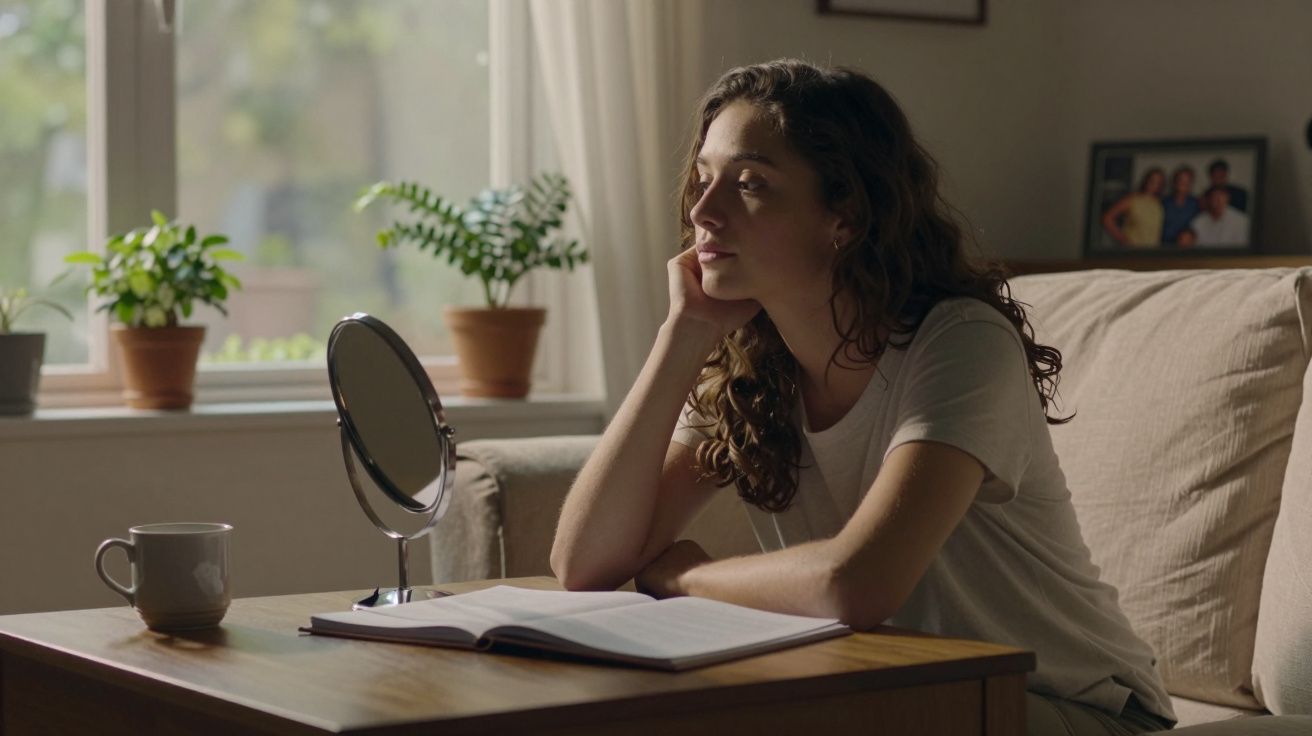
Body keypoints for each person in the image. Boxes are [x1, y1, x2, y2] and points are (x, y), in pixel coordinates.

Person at [550, 59, 1176, 735]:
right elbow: (583, 563)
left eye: (751, 183)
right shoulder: (751, 367)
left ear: (843, 214)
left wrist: (683, 581)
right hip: (898, 694)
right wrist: (682, 337)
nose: (703, 211)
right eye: (703, 180)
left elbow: (855, 586)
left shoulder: (960, 343)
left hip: (1075, 706)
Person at [1099, 168, 1166, 247]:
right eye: (1152, 181)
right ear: (1146, 181)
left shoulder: (1159, 204)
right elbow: (1107, 218)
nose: (1155, 185)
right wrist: (1124, 239)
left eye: (1159, 183)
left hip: (1151, 252)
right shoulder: (1132, 200)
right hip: (1132, 251)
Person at [1160, 165, 1200, 244]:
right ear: (1174, 182)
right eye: (1180, 180)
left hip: (1187, 248)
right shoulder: (1164, 202)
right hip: (1165, 246)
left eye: (1187, 181)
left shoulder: (1195, 203)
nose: (1183, 183)